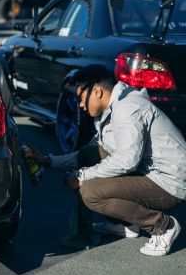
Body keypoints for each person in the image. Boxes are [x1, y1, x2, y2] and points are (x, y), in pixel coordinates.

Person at [29, 64, 186, 256]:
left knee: (91, 192)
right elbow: (87, 154)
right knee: (90, 154)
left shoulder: (128, 109)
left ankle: (163, 226)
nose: (80, 105)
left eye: (81, 98)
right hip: (150, 173)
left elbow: (127, 160)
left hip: (171, 183)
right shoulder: (111, 111)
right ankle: (123, 224)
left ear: (97, 91)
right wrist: (47, 161)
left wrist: (82, 176)